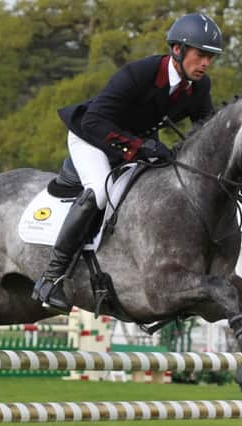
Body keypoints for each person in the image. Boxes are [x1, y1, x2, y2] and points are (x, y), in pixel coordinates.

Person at [32, 13, 223, 313]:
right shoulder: (140, 73)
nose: (206, 64)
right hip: (91, 138)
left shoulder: (199, 87)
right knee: (98, 192)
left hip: (134, 146)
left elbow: (205, 131)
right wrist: (138, 147)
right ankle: (51, 277)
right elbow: (95, 120)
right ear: (177, 50)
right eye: (201, 55)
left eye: (210, 58)